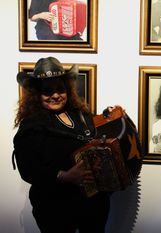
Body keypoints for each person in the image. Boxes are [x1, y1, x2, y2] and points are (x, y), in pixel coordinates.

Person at [13, 57, 110, 233]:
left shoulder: (83, 116)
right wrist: (65, 176)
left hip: (93, 204)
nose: (56, 95)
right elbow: (27, 169)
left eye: (60, 88)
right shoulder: (31, 125)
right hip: (54, 206)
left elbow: (101, 139)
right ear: (37, 94)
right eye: (47, 91)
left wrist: (113, 117)